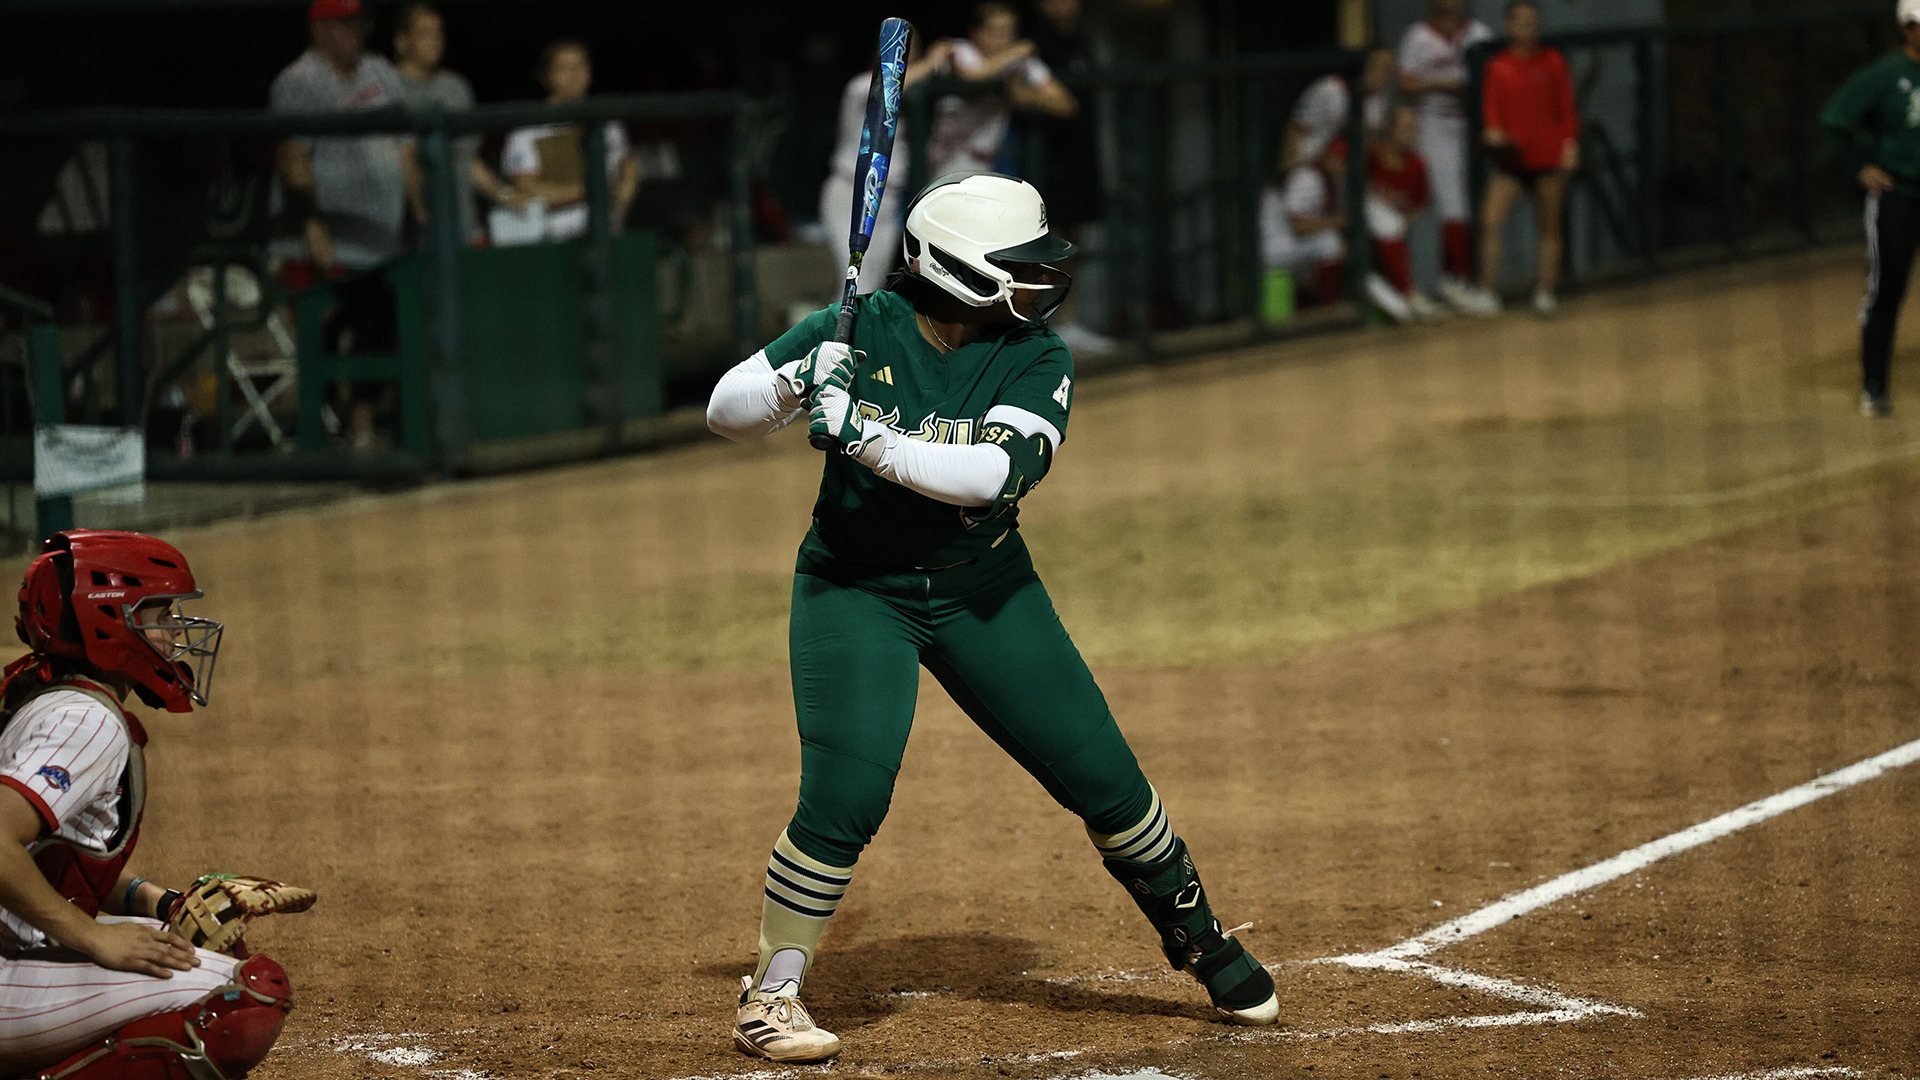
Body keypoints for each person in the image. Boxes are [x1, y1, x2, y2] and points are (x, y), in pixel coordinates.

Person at [706, 172, 1279, 1063]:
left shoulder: (1039, 357)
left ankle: (1199, 938)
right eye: (1018, 267)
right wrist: (798, 382)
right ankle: (772, 995)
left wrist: (862, 432)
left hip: (986, 590)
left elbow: (989, 475)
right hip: (855, 589)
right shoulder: (859, 328)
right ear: (959, 271)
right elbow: (724, 413)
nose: (1041, 284)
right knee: (846, 798)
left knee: (1107, 782)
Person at [0, 530, 312, 1079]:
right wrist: (94, 937)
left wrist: (159, 902)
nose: (174, 634)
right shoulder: (86, 721)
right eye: (159, 615)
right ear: (109, 621)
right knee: (244, 995)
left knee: (192, 958)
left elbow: (55, 853)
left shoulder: (40, 690)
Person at [1821, 0, 1920, 417]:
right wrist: (1860, 167)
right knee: (1887, 289)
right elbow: (1835, 119)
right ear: (1906, 27)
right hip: (1898, 198)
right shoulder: (1883, 76)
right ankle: (1874, 386)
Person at [270, 0, 415, 279]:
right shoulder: (300, 80)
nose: (358, 30)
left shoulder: (379, 70)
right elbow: (293, 158)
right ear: (320, 30)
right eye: (348, 23)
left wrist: (419, 213)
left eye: (361, 22)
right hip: (323, 254)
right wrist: (313, 228)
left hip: (381, 247)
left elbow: (406, 147)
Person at [817, 32, 952, 294]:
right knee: (857, 281)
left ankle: (856, 335)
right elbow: (890, 88)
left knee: (872, 285)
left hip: (889, 199)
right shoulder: (860, 84)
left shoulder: (919, 98)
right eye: (902, 52)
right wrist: (932, 61)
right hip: (851, 191)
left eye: (914, 53)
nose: (908, 60)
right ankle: (840, 335)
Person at [1472, 0, 1579, 318]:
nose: (1526, 28)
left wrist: (1569, 147)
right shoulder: (1498, 67)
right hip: (1512, 163)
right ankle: (1488, 294)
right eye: (1519, 22)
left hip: (1548, 160)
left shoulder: (1553, 62)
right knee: (1489, 220)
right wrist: (1494, 135)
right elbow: (1492, 115)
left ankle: (1544, 292)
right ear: (1508, 26)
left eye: (1531, 22)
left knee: (1549, 228)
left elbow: (1567, 111)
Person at [392, 2, 522, 246]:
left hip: (464, 227)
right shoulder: (387, 88)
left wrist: (504, 194)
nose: (434, 41)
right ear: (402, 41)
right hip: (411, 238)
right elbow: (400, 158)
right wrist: (421, 211)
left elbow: (467, 160)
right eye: (424, 34)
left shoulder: (456, 87)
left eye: (438, 33)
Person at [1397, 0, 1495, 312]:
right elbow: (1406, 83)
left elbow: (1491, 81)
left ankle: (1458, 278)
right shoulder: (1417, 36)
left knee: (1475, 202)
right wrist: (1445, 84)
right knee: (1452, 203)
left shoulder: (1479, 33)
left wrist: (1438, 84)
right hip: (1433, 125)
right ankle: (1455, 279)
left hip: (1474, 127)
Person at [500, 39, 640, 244]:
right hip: (552, 239)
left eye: (580, 66)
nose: (574, 74)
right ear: (546, 77)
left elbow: (628, 169)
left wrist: (621, 202)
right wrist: (590, 190)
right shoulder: (528, 130)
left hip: (608, 234)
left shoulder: (608, 122)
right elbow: (527, 189)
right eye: (563, 68)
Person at [926, 3, 1078, 180]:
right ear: (976, 33)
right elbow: (972, 78)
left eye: (1008, 31)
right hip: (946, 159)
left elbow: (1067, 104)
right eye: (995, 31)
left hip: (988, 161)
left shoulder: (1020, 62)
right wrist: (1012, 55)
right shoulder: (960, 50)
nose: (1003, 38)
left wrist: (1028, 95)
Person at [1369, 105, 1444, 321]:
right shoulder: (1372, 155)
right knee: (1385, 219)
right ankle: (1408, 293)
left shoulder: (1417, 164)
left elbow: (1418, 206)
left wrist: (1401, 223)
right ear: (1389, 129)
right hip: (1362, 223)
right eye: (1403, 127)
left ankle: (1412, 294)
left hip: (1393, 232)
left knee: (1395, 224)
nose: (1409, 133)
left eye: (1413, 128)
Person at [1261, 129, 1349, 306]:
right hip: (1272, 245)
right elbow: (1298, 227)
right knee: (1330, 242)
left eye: (1341, 159)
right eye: (1334, 157)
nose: (1339, 163)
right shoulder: (1308, 177)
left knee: (1326, 245)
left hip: (1286, 242)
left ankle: (1312, 306)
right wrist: (1338, 221)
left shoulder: (1327, 179)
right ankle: (1329, 308)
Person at [1289, 46, 1397, 171]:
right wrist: (1285, 174)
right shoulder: (1329, 88)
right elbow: (1295, 129)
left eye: (1388, 70)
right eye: (1381, 67)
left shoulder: (1378, 103)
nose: (1384, 75)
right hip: (1308, 167)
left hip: (1343, 174)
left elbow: (1368, 144)